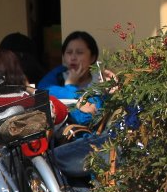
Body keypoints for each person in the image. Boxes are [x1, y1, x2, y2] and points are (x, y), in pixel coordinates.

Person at [39, 30, 112, 180]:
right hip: (58, 143)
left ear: (92, 57)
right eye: (68, 52)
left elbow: (87, 116)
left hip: (85, 146)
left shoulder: (100, 83)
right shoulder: (58, 76)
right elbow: (43, 92)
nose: (73, 57)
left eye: (79, 52)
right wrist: (71, 87)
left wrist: (69, 89)